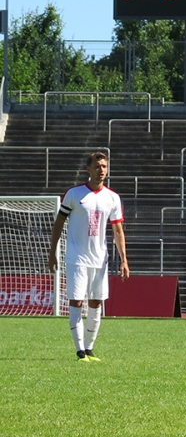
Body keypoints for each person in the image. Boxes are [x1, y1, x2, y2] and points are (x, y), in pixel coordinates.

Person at [46, 151, 129, 362]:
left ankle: (90, 349)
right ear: (88, 169)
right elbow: (59, 222)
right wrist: (52, 252)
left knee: (96, 303)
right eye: (97, 166)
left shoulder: (112, 198)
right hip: (77, 257)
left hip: (100, 259)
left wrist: (124, 260)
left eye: (104, 166)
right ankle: (79, 350)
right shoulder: (74, 194)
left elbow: (118, 230)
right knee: (76, 301)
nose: (101, 170)